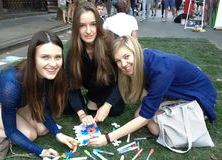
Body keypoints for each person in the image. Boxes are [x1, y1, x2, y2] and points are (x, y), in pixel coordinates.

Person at [88, 35, 217, 147]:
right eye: (118, 61)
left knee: (153, 127)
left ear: (135, 52)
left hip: (200, 98)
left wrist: (107, 138)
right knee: (139, 116)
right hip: (179, 92)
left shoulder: (161, 70)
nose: (123, 64)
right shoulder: (145, 57)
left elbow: (145, 117)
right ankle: (163, 110)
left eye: (126, 56)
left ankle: (196, 116)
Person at [0, 31, 77, 160]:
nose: (53, 64)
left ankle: (14, 114)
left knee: (42, 129)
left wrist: (58, 134)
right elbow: (11, 131)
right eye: (45, 57)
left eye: (57, 57)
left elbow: (43, 108)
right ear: (33, 58)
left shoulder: (47, 74)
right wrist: (41, 152)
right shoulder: (10, 84)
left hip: (18, 103)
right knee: (29, 135)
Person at [64, 1, 125, 126]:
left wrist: (107, 105)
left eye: (93, 24)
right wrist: (81, 114)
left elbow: (123, 79)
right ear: (76, 28)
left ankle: (97, 99)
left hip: (110, 87)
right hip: (92, 88)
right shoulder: (73, 53)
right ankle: (92, 98)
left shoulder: (112, 41)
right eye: (82, 26)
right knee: (67, 108)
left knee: (116, 110)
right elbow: (72, 87)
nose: (88, 31)